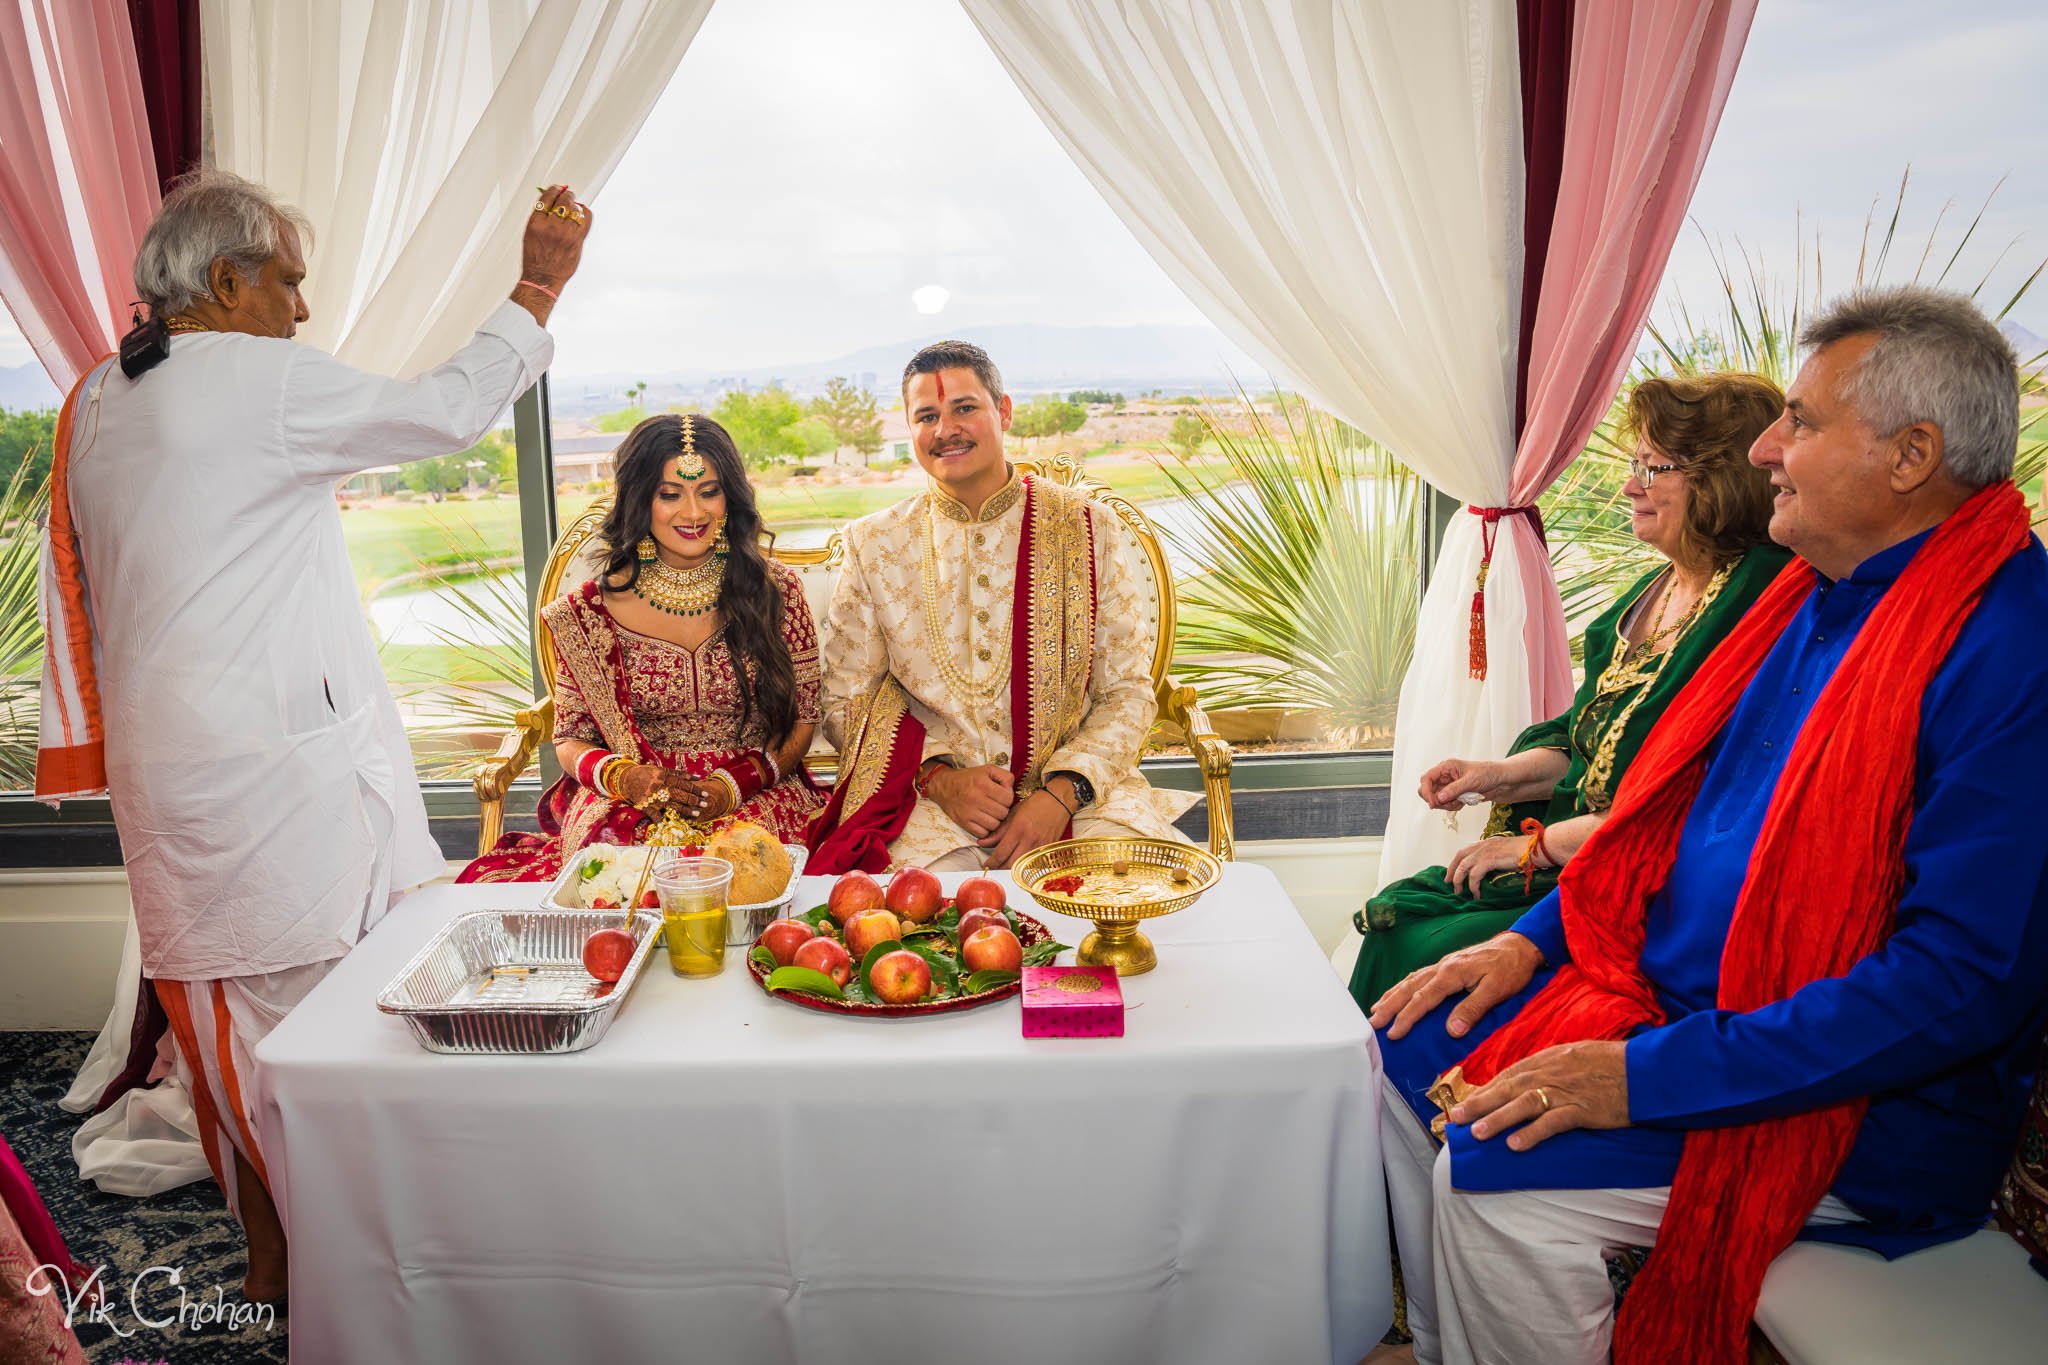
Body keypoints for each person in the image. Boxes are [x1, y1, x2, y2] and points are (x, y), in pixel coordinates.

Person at [1369, 285, 2048, 1365]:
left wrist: (1637, 1078)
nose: (1768, 448)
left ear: (1910, 456)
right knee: (1402, 1050)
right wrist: (1525, 941)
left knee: (1497, 1181)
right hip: (1675, 1001)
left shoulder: (2007, 646)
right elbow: (1663, 820)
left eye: (1802, 422)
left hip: (1862, 1108)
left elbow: (1955, 986)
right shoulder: (1814, 595)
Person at [35, 169, 590, 1300]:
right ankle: (349, 1255)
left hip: (172, 766)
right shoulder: (257, 377)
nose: (301, 310)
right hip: (271, 769)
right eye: (286, 283)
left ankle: (275, 1241)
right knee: (311, 1014)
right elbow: (446, 410)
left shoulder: (97, 393)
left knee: (217, 1011)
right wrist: (535, 287)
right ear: (226, 281)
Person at [1347, 373, 1789, 1010]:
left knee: (1422, 942)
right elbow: (1583, 741)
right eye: (1635, 463)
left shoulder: (1762, 598)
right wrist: (1495, 775)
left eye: (1654, 467)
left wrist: (1536, 846)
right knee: (1400, 913)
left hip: (1653, 885)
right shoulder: (1645, 598)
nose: (1629, 485)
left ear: (1719, 479)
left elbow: (1700, 793)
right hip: (1583, 857)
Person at [808, 339, 1192, 872]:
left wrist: (1059, 795)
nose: (945, 430)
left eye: (964, 408)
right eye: (926, 416)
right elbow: (846, 701)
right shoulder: (876, 545)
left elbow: (1127, 694)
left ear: (1003, 411)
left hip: (1081, 794)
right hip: (932, 808)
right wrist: (939, 778)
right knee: (914, 923)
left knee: (1135, 900)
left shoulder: (1089, 529)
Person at [460, 412, 824, 881]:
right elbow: (570, 737)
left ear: (729, 499)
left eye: (708, 491)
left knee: (745, 866)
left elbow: (804, 719)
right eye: (669, 494)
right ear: (639, 500)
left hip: (755, 786)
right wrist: (626, 779)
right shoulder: (589, 613)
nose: (693, 513)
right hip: (632, 795)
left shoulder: (777, 593)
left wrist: (733, 786)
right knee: (620, 870)